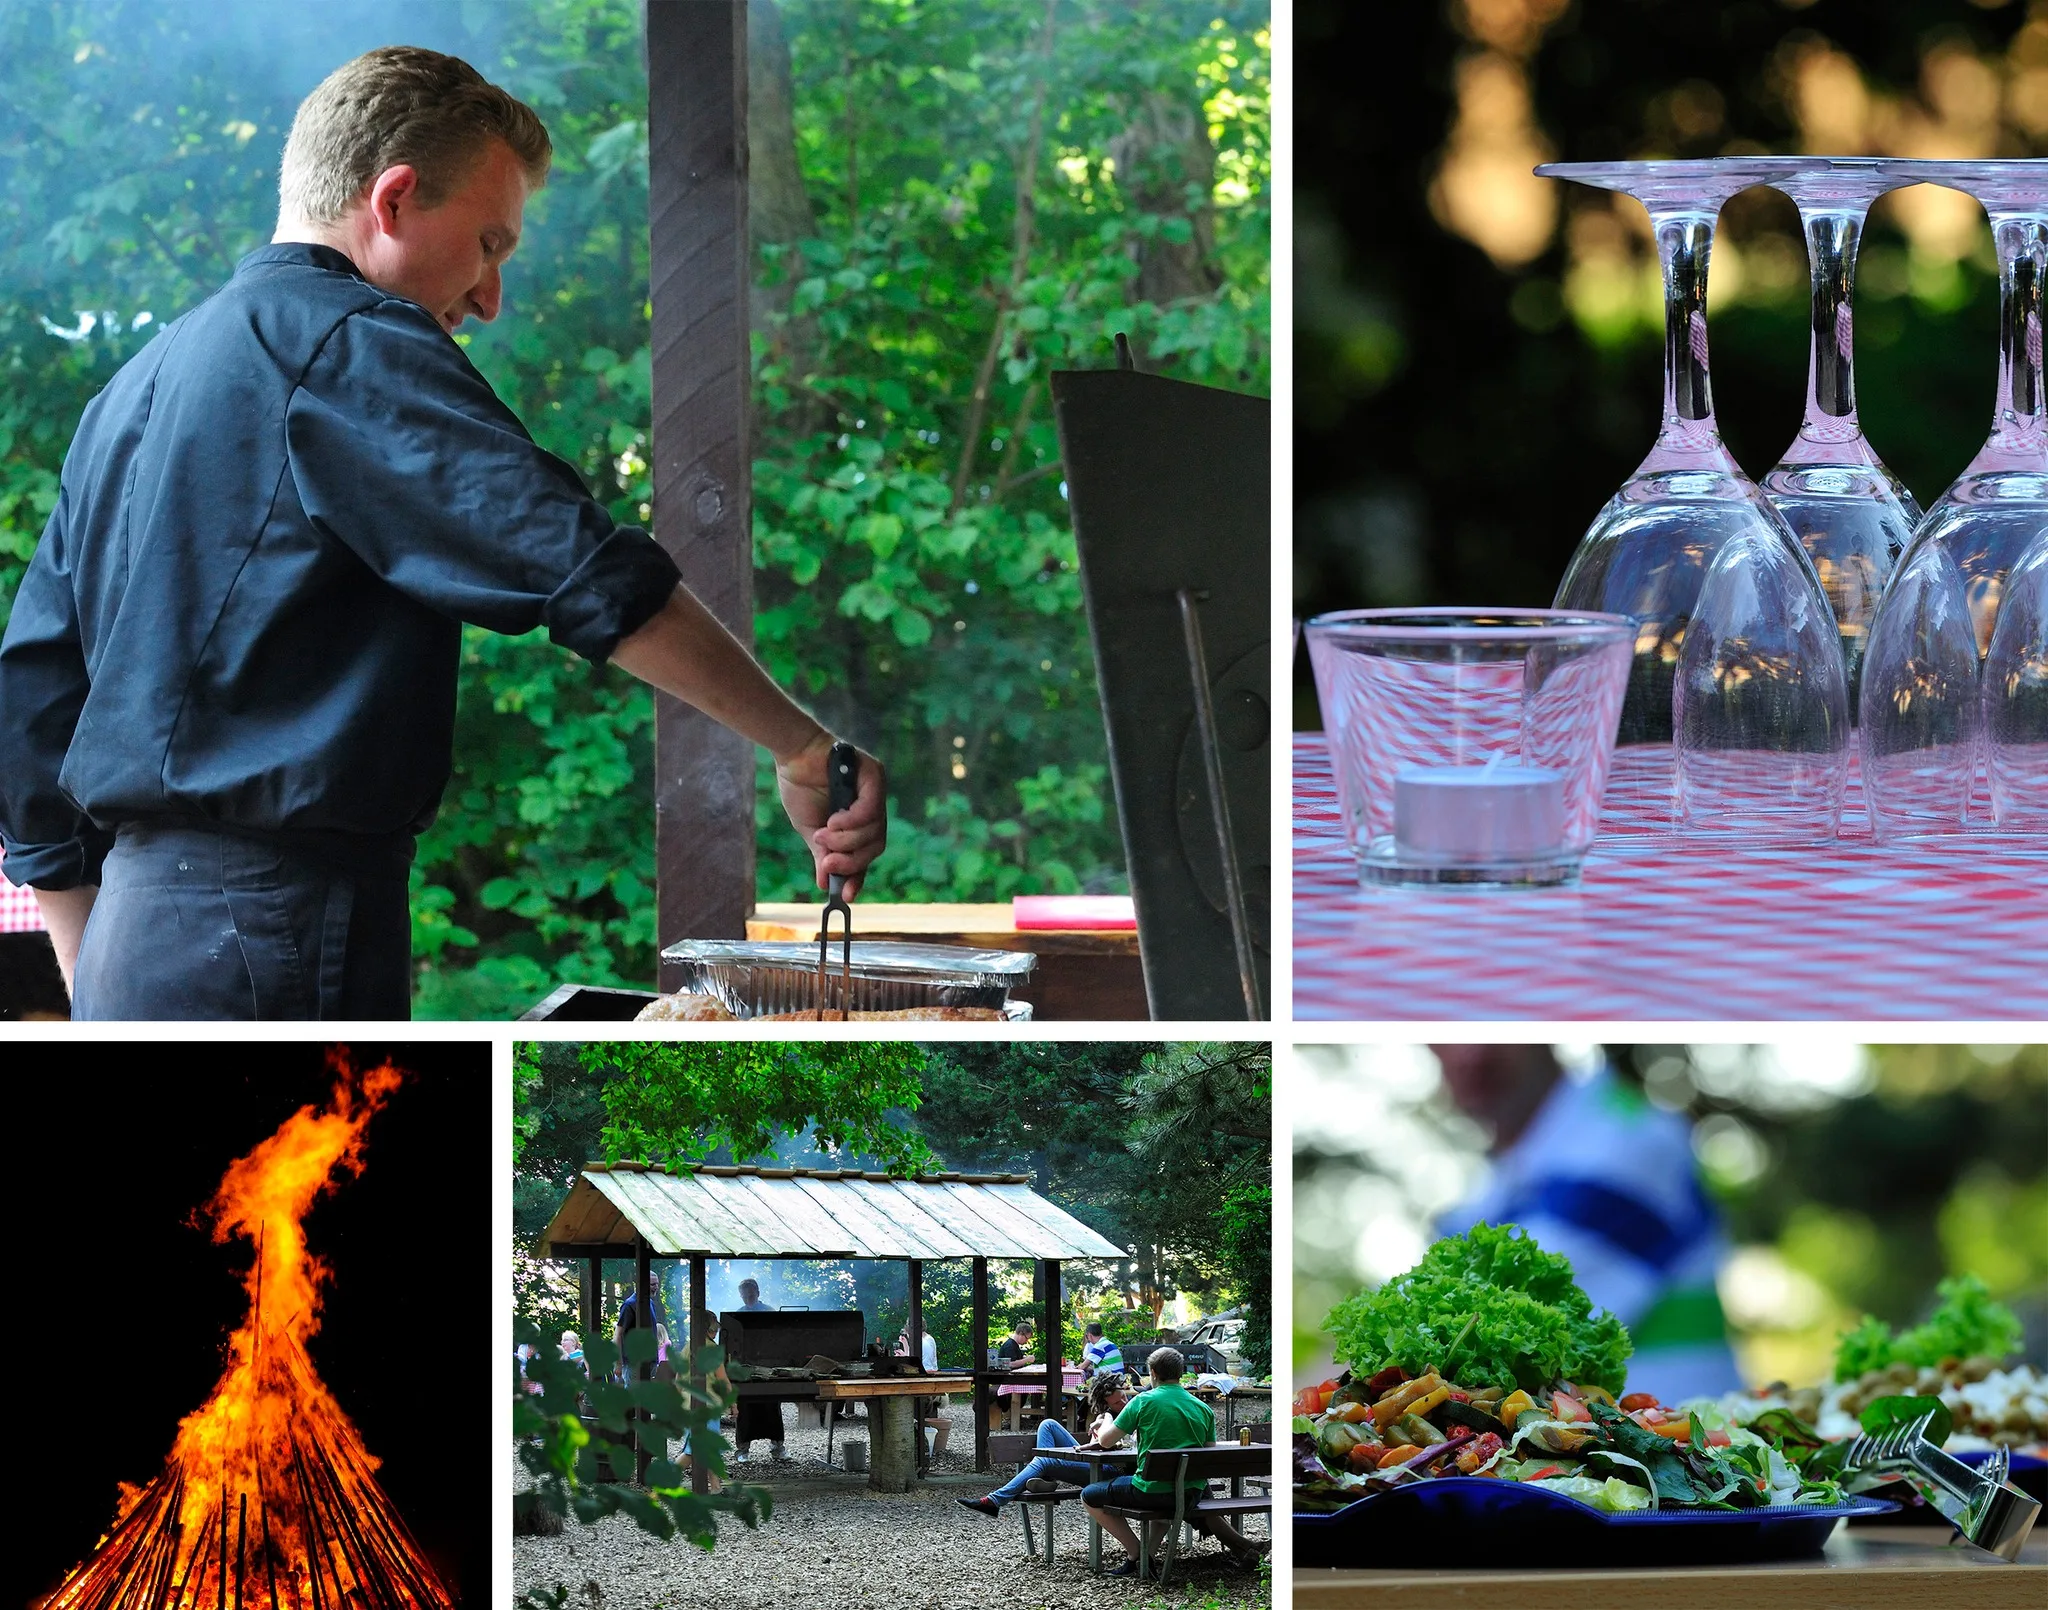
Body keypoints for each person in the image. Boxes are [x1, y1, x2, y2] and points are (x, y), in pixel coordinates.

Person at [0, 44, 886, 1020]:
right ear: (393, 200)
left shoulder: (132, 390)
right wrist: (804, 748)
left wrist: (97, 979)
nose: (490, 298)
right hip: (270, 935)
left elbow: (36, 691)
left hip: (138, 943)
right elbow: (583, 570)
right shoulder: (345, 341)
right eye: (490, 244)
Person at [1432, 1045, 1743, 1403]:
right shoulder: (1500, 1184)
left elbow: (1496, 1309)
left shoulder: (1631, 1138)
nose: (1469, 1055)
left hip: (1687, 1443)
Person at [1082, 1347, 1263, 1578]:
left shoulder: (1143, 1401)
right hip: (1190, 1494)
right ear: (1180, 1372)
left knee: (1089, 1495)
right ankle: (1143, 1558)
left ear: (1153, 1373)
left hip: (1151, 1492)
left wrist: (1105, 1418)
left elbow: (1106, 1442)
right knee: (1171, 1496)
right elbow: (1207, 1455)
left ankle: (1138, 1553)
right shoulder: (1203, 1408)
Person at [957, 1372, 1132, 1518]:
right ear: (1105, 1405)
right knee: (1048, 1424)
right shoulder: (1107, 1416)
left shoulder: (1132, 1410)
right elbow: (1099, 1444)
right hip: (1098, 1464)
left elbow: (1107, 1444)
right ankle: (1044, 1477)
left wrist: (1104, 1420)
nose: (1123, 1403)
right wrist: (1103, 1419)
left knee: (1045, 1461)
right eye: (1117, 1403)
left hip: (1113, 1473)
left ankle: (994, 1500)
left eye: (1123, 1397)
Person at [731, 1278, 785, 1462]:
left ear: (758, 1293)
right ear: (741, 1296)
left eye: (751, 1294)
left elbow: (779, 1340)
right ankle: (743, 1449)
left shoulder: (770, 1312)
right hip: (746, 1370)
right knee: (745, 1408)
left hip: (769, 1368)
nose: (748, 1298)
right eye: (745, 1295)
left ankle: (777, 1446)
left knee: (772, 1407)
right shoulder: (736, 1316)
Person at [614, 1284, 666, 1381]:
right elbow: (618, 1334)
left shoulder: (650, 1303)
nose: (656, 1287)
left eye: (657, 1284)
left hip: (651, 1362)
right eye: (652, 1284)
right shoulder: (629, 1305)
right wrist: (618, 1363)